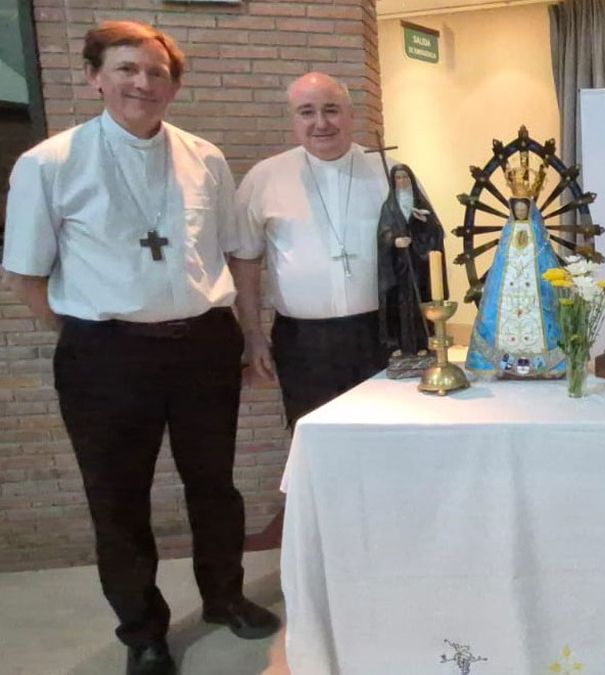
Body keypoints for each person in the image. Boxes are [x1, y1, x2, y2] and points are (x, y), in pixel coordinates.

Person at [2, 21, 278, 675]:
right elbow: (26, 273)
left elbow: (240, 253)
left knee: (214, 485)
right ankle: (143, 631)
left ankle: (224, 596)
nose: (143, 83)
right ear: (96, 76)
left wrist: (249, 331)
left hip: (202, 343)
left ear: (173, 85)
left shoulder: (205, 156)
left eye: (156, 73)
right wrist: (83, 337)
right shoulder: (49, 162)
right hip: (105, 351)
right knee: (118, 497)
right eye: (127, 69)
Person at [234, 72, 398, 428]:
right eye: (307, 112)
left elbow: (420, 253)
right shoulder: (265, 177)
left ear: (351, 116)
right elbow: (245, 260)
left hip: (381, 334)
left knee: (386, 440)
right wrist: (253, 335)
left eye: (332, 110)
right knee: (316, 442)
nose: (321, 123)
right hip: (303, 342)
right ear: (294, 119)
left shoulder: (389, 172)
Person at [464, 152, 566, 379]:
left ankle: (549, 364)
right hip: (509, 289)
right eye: (517, 207)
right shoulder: (508, 232)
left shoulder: (538, 233)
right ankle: (498, 362)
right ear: (512, 208)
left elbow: (545, 255)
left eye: (523, 207)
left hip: (534, 289)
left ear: (529, 208)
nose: (520, 211)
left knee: (542, 315)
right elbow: (501, 261)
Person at [377, 162, 445, 356]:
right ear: (393, 181)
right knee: (400, 304)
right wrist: (394, 240)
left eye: (405, 177)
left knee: (420, 302)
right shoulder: (389, 207)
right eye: (398, 178)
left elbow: (437, 232)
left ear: (411, 180)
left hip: (418, 263)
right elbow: (383, 233)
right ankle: (401, 345)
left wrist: (426, 225)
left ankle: (423, 343)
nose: (402, 181)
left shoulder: (420, 203)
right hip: (399, 265)